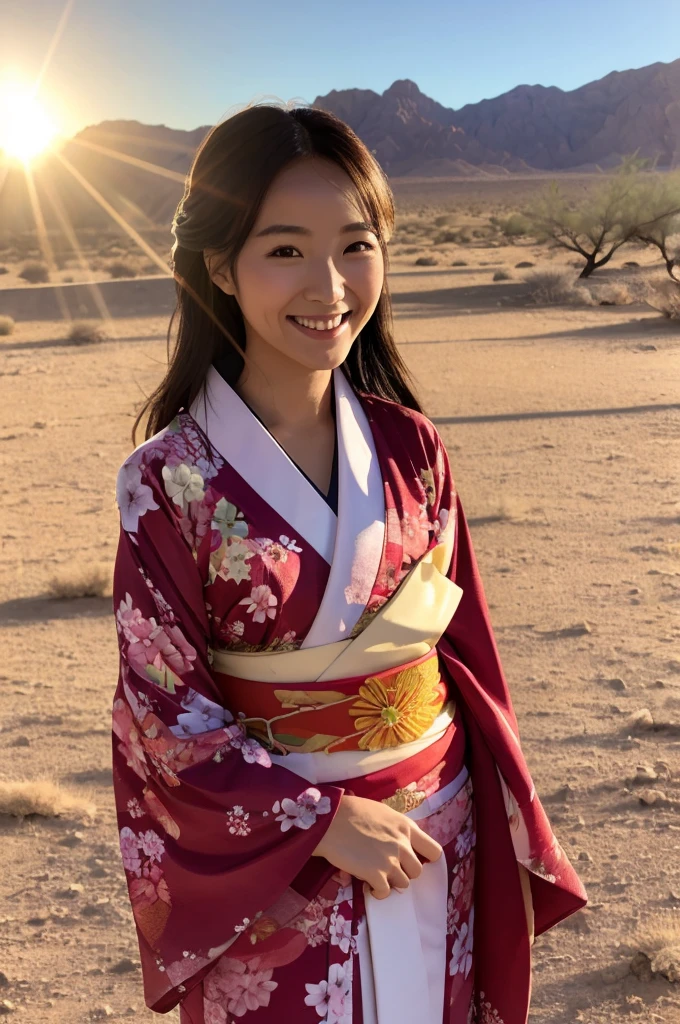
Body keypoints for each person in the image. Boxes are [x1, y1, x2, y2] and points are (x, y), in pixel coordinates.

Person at [111, 101, 587, 1024]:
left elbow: (467, 654)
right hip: (279, 869)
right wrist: (323, 822)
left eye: (356, 245)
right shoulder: (166, 481)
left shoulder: (414, 447)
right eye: (285, 249)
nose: (329, 284)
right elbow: (161, 716)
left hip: (435, 829)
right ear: (221, 265)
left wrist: (486, 809)